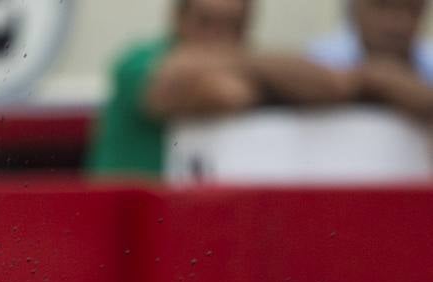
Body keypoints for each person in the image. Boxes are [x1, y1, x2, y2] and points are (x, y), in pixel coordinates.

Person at [88, 0, 356, 176]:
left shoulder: (249, 68)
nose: (218, 37)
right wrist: (257, 67)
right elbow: (225, 94)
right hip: (128, 229)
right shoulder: (137, 61)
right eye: (206, 22)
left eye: (233, 26)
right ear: (178, 18)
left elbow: (331, 85)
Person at [310, 0, 433, 120]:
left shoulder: (429, 60)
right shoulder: (320, 58)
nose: (397, 24)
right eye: (382, 5)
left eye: (412, 9)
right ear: (353, 7)